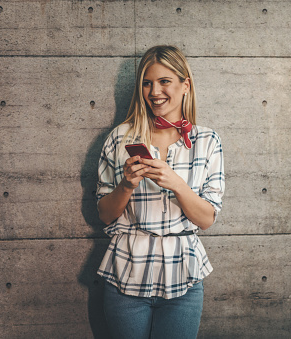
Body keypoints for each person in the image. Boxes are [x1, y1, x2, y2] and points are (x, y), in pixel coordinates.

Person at [95, 45, 225, 339]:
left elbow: (206, 219)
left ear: (185, 86)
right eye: (147, 82)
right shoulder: (120, 138)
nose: (154, 91)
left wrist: (177, 184)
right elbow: (104, 215)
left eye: (164, 81)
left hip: (184, 279)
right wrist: (126, 185)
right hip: (125, 274)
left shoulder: (207, 141)